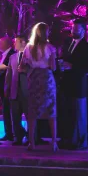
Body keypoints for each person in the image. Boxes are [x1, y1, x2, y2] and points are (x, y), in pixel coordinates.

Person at [22, 22, 58, 152]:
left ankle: (32, 142)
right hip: (47, 79)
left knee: (32, 112)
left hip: (34, 78)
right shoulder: (50, 48)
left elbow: (22, 66)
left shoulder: (28, 47)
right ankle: (54, 142)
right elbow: (53, 67)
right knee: (51, 110)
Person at [58, 19, 88, 150]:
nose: (73, 31)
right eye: (72, 29)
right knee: (68, 114)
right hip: (67, 84)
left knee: (79, 114)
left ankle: (80, 141)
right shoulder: (68, 44)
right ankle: (69, 139)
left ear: (83, 31)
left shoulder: (87, 47)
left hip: (79, 85)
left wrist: (72, 66)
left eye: (76, 29)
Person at [5, 36, 28, 145]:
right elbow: (9, 74)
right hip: (14, 90)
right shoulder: (12, 57)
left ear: (23, 42)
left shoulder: (30, 56)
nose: (14, 44)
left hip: (27, 91)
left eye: (16, 42)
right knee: (15, 116)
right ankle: (18, 137)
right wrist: (7, 88)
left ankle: (32, 137)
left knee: (29, 116)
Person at [0, 37, 17, 142]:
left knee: (9, 111)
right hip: (3, 87)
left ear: (7, 44)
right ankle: (8, 133)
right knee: (6, 111)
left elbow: (6, 68)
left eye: (0, 43)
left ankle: (12, 133)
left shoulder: (12, 54)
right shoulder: (4, 54)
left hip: (8, 87)